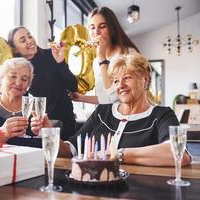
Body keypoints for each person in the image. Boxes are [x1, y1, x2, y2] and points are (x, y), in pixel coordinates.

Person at [31, 53, 191, 166]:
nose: (120, 86)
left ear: (145, 80)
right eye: (115, 81)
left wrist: (117, 155)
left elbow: (178, 154)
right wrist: (48, 132)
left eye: (127, 78)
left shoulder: (161, 115)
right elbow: (69, 150)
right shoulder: (102, 112)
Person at [7, 26, 77, 140]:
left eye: (29, 36)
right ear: (15, 49)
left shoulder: (52, 54)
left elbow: (73, 86)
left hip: (65, 122)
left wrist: (61, 62)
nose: (29, 40)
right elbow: (22, 101)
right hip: (38, 125)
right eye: (23, 40)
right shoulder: (19, 69)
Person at [69, 7, 139, 105]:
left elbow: (115, 96)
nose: (96, 32)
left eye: (102, 26)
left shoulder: (128, 54)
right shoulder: (96, 61)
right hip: (107, 115)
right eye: (92, 27)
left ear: (112, 28)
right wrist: (81, 98)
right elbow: (106, 99)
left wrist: (102, 58)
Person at [0, 57, 42, 147]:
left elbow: (54, 148)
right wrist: (2, 133)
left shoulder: (36, 110)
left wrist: (48, 132)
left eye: (24, 79)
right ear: (0, 80)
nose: (18, 83)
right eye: (13, 76)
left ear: (28, 85)